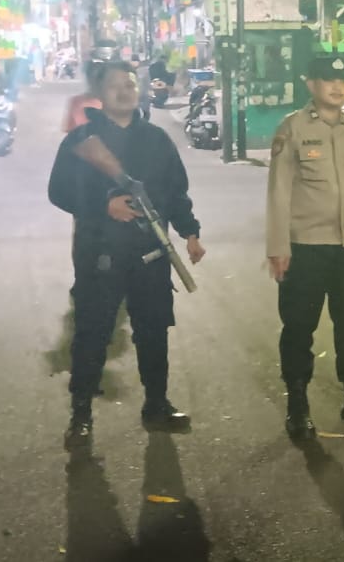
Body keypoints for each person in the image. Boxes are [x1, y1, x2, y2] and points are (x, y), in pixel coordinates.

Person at [48, 61, 207, 446]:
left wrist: (190, 232)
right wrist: (105, 206)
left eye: (130, 85)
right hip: (100, 255)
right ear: (100, 95)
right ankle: (80, 415)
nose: (124, 92)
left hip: (150, 252)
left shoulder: (156, 139)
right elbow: (59, 191)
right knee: (92, 335)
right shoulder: (80, 140)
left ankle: (157, 405)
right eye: (115, 86)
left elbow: (176, 191)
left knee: (154, 332)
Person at [266, 55, 344, 439]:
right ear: (311, 84)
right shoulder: (292, 128)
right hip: (306, 247)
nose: (337, 87)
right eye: (328, 80)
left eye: (342, 80)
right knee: (299, 328)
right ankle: (297, 405)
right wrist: (278, 247)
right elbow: (278, 192)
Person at [62, 62, 105, 134]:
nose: (96, 81)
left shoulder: (115, 104)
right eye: (92, 77)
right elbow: (71, 133)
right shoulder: (76, 102)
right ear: (88, 78)